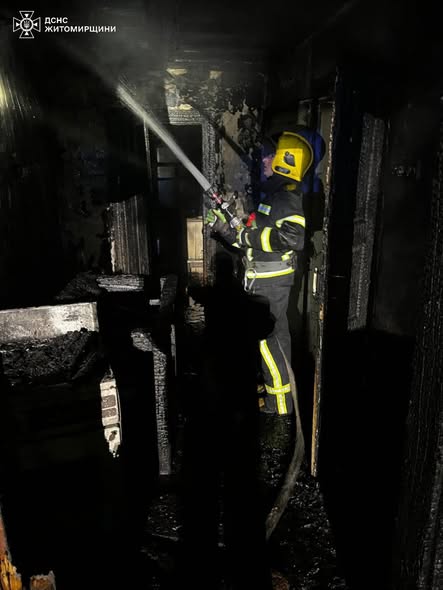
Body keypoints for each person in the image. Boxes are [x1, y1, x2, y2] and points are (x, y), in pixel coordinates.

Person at [207, 129, 324, 416]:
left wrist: (246, 235)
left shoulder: (287, 198)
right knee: (270, 342)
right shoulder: (271, 199)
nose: (264, 160)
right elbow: (248, 240)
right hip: (262, 280)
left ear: (287, 161)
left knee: (269, 343)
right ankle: (276, 394)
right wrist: (224, 227)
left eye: (271, 156)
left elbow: (292, 238)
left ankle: (279, 409)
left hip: (271, 283)